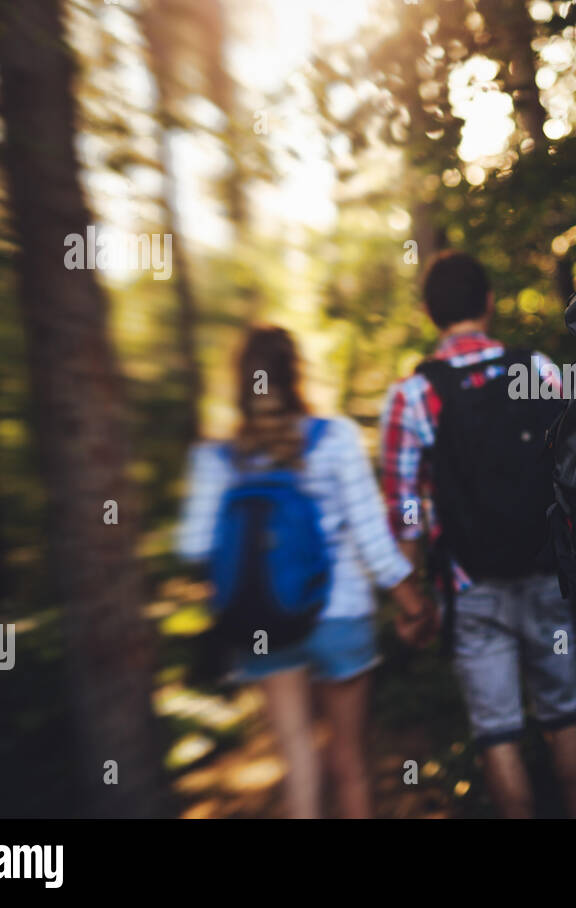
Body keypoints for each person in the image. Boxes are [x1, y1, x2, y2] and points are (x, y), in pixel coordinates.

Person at [176, 325, 433, 818]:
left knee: (297, 757)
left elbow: (193, 547)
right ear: (296, 375)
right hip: (341, 616)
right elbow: (373, 540)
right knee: (349, 760)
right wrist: (414, 606)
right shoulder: (334, 437)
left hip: (263, 623)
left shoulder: (216, 456)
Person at [380, 250, 576, 818]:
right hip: (546, 571)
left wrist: (412, 599)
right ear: (490, 302)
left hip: (469, 585)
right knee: (564, 715)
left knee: (499, 732)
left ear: (429, 313)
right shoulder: (536, 369)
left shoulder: (413, 396)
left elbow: (403, 511)